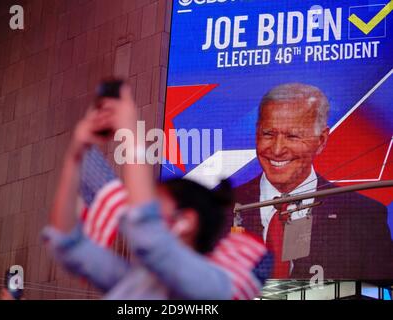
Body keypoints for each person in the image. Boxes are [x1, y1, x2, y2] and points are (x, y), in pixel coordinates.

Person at [42, 83, 272, 299]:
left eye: (155, 203)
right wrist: (76, 154)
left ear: (186, 221)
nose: (139, 205)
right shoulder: (141, 281)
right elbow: (68, 246)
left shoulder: (213, 284)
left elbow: (149, 238)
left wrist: (130, 131)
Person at [230, 83, 393, 279]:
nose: (277, 149)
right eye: (268, 134)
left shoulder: (362, 216)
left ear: (322, 140)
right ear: (257, 132)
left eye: (292, 136)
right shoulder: (218, 208)